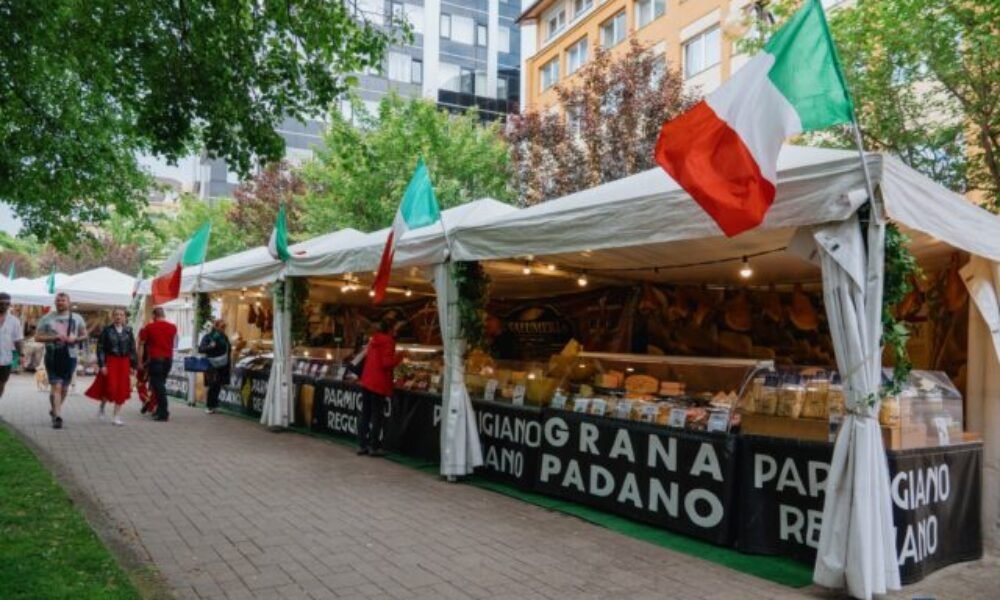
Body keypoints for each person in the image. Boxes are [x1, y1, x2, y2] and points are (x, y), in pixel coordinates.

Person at [34, 292, 87, 429]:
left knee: (64, 388)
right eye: (58, 300)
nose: (60, 302)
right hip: (52, 356)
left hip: (71, 356)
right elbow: (37, 337)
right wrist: (54, 338)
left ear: (69, 302)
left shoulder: (77, 318)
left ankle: (54, 410)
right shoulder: (46, 318)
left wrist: (75, 339)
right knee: (56, 386)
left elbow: (84, 335)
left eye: (63, 300)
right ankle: (58, 416)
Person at [357, 320, 402, 457]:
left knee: (365, 414)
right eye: (394, 328)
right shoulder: (388, 341)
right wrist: (401, 356)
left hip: (367, 380)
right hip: (378, 383)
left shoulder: (373, 340)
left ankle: (362, 445)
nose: (395, 330)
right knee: (377, 415)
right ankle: (374, 446)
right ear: (389, 329)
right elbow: (386, 363)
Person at [85, 308, 137, 426]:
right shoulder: (107, 330)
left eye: (121, 315)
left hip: (124, 362)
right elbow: (101, 348)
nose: (119, 317)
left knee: (121, 389)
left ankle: (116, 416)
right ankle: (102, 407)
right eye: (116, 315)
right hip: (111, 361)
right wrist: (102, 365)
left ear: (125, 317)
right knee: (110, 387)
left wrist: (133, 365)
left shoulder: (129, 331)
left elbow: (132, 349)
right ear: (113, 317)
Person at [139, 307, 177, 422]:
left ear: (154, 316)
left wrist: (140, 361)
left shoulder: (149, 327)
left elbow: (141, 345)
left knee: (159, 387)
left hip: (156, 360)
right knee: (160, 385)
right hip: (168, 360)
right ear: (163, 315)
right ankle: (159, 410)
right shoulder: (173, 327)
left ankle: (164, 413)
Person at [198, 319, 231, 414]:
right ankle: (209, 405)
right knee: (213, 384)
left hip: (223, 364)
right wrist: (211, 346)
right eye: (222, 327)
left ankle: (214, 404)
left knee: (218, 385)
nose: (223, 329)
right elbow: (201, 349)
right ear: (215, 327)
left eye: (225, 327)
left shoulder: (224, 337)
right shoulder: (208, 337)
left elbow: (227, 349)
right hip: (211, 364)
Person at [0, 292, 24, 399]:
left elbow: (18, 340)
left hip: (5, 358)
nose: (4, 306)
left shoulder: (14, 321)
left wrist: (21, 355)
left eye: (6, 303)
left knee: (1, 384)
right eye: (1, 303)